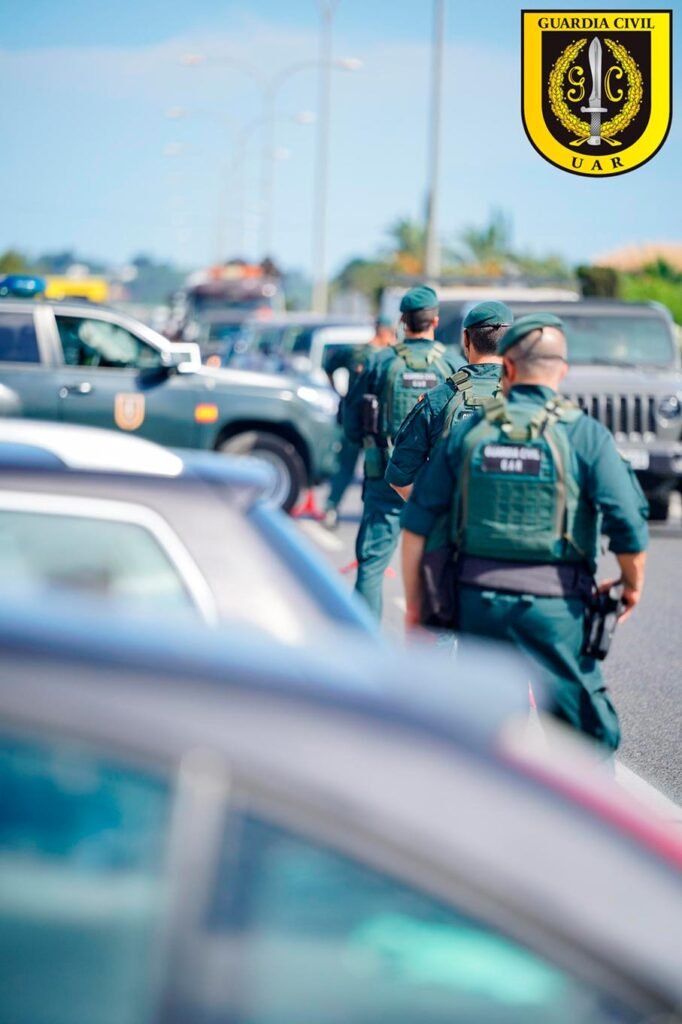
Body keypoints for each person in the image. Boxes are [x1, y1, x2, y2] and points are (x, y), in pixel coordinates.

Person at [400, 313, 649, 752]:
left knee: (489, 732)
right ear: (563, 370)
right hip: (558, 607)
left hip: (478, 602)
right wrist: (631, 584)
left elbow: (417, 523)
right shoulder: (585, 435)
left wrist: (418, 609)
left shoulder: (470, 432)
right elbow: (627, 524)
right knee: (587, 736)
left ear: (509, 368)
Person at [344, 285, 458, 618]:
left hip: (384, 477)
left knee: (371, 565)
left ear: (402, 321)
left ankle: (365, 652)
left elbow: (352, 422)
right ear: (435, 320)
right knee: (438, 565)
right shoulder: (452, 363)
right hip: (435, 483)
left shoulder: (380, 362)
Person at [385, 300, 513, 501]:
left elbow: (399, 476)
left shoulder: (438, 398)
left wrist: (435, 515)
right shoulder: (528, 399)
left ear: (465, 339)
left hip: (453, 528)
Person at [322, 316, 396, 528]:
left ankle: (332, 507)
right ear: (385, 332)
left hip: (354, 419)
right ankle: (351, 510)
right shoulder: (385, 355)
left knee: (348, 467)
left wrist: (341, 394)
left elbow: (329, 366)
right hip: (374, 423)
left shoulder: (357, 352)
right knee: (371, 469)